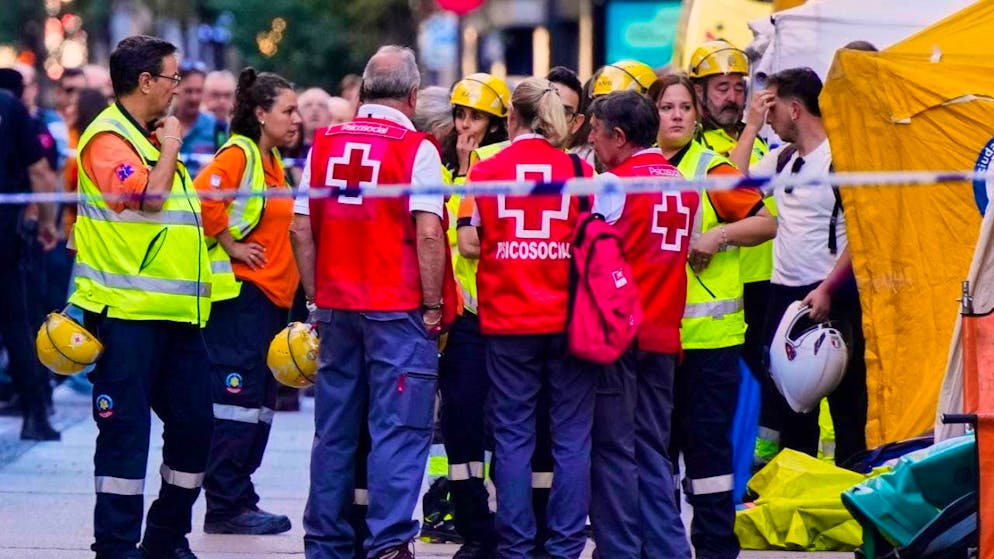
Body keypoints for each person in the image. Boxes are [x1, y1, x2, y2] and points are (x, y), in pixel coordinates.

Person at [293, 45, 450, 559]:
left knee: (334, 430)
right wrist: (432, 305)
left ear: (361, 91)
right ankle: (387, 545)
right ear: (411, 95)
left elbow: (300, 228)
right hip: (397, 310)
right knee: (398, 431)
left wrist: (316, 298)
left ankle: (325, 542)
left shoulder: (324, 143)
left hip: (337, 308)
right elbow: (429, 233)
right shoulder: (416, 147)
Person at [70, 35, 214, 559]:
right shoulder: (107, 138)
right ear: (146, 81)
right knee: (125, 437)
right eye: (173, 78)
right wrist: (173, 142)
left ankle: (165, 537)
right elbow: (149, 201)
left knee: (197, 425)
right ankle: (114, 546)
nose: (178, 88)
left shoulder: (146, 137)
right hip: (125, 316)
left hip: (176, 316)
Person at [648, 73, 777, 559]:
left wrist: (717, 236)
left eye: (684, 107)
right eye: (666, 107)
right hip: (654, 341)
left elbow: (765, 222)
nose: (677, 115)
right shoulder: (634, 171)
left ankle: (716, 546)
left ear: (696, 114)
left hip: (711, 343)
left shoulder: (712, 168)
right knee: (658, 453)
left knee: (708, 453)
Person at [468, 77, 595, 559]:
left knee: (513, 437)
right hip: (568, 319)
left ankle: (516, 546)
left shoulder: (486, 170)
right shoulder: (577, 170)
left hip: (507, 321)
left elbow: (470, 241)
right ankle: (564, 546)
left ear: (510, 119)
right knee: (571, 436)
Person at [585, 90, 695, 559]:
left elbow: (589, 253)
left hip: (619, 336)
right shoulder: (685, 184)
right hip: (664, 335)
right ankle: (669, 548)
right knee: (652, 447)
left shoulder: (614, 186)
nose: (591, 141)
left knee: (612, 450)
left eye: (595, 132)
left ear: (620, 136)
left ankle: (620, 550)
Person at [194, 67, 302, 536]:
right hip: (241, 301)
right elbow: (203, 198)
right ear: (261, 114)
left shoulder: (271, 159)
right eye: (288, 110)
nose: (297, 119)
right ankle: (224, 504)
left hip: (269, 302)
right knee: (236, 404)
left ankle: (240, 495)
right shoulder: (239, 153)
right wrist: (232, 246)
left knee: (258, 405)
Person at [742, 67, 867, 467]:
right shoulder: (781, 159)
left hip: (834, 295)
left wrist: (829, 289)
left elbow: (863, 235)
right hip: (784, 297)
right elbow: (728, 185)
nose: (769, 117)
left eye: (772, 106)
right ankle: (794, 505)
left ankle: (851, 500)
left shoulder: (842, 158)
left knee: (849, 409)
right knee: (791, 414)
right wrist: (750, 127)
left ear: (795, 109)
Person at [688, 39, 777, 465]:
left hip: (769, 279)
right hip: (725, 285)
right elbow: (733, 186)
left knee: (770, 384)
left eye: (738, 87)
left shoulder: (762, 142)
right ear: (699, 93)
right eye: (720, 87)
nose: (732, 96)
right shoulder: (698, 145)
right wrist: (751, 129)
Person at [438, 72, 510, 559]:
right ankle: (470, 522)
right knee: (460, 423)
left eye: (477, 117)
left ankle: (506, 522)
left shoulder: (502, 171)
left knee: (501, 425)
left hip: (501, 315)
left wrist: (471, 171)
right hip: (457, 319)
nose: (466, 125)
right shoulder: (441, 172)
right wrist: (462, 170)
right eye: (461, 115)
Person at [0, 80, 59, 441]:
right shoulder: (10, 106)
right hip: (5, 233)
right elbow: (40, 171)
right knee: (17, 322)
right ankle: (35, 413)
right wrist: (48, 223)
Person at [175, 59, 222, 177]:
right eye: (188, 91)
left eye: (199, 91)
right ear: (176, 89)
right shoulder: (161, 126)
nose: (194, 98)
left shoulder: (217, 128)